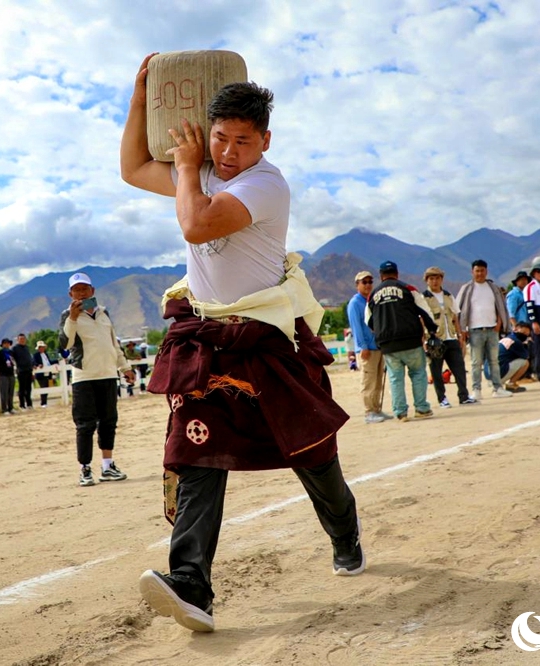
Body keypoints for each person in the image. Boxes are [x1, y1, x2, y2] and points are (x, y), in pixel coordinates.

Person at [122, 61, 363, 632]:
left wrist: (186, 167)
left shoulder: (265, 184)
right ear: (209, 133)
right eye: (220, 139)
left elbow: (198, 227)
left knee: (311, 452)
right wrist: (140, 98)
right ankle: (191, 587)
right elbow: (132, 167)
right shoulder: (199, 168)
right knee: (195, 450)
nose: (229, 153)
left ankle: (344, 530)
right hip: (205, 336)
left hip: (263, 337)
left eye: (243, 141)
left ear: (265, 142)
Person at [59, 272, 133, 486]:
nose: (81, 293)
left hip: (108, 375)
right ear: (70, 293)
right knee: (85, 424)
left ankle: (108, 466)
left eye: (85, 288)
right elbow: (65, 344)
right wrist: (72, 318)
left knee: (109, 421)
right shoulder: (68, 316)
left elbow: (113, 344)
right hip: (84, 377)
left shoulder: (104, 313)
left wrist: (125, 367)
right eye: (77, 289)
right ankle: (85, 469)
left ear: (92, 290)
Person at [369, 261, 437, 421]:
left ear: (380, 276)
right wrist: (432, 330)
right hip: (411, 340)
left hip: (387, 343)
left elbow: (369, 320)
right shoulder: (408, 289)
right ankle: (421, 408)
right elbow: (425, 311)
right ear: (397, 274)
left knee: (395, 377)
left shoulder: (373, 295)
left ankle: (400, 412)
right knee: (418, 373)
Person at [455, 260, 513, 401]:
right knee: (476, 362)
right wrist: (463, 329)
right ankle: (476, 390)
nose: (480, 273)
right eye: (477, 271)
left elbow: (500, 306)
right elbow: (458, 309)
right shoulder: (467, 289)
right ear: (472, 272)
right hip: (475, 330)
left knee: (494, 360)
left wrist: (499, 322)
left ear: (486, 271)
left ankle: (497, 388)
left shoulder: (493, 288)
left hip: (492, 329)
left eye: (482, 270)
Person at [422, 266, 472, 408]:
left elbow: (454, 316)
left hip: (451, 337)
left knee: (459, 367)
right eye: (431, 278)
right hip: (434, 339)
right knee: (436, 370)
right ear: (427, 280)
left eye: (437, 278)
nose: (435, 281)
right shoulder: (424, 298)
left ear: (442, 279)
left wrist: (460, 334)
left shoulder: (448, 296)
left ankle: (464, 395)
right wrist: (424, 339)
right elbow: (421, 319)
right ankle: (442, 398)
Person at [347, 270, 392, 423]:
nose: (367, 285)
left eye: (369, 282)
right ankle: (369, 412)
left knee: (378, 380)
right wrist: (363, 346)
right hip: (367, 348)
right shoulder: (355, 303)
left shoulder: (371, 300)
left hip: (378, 346)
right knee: (368, 381)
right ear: (357, 285)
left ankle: (377, 408)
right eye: (364, 282)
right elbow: (356, 327)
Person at [498, 322, 532, 392]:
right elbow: (526, 356)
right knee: (525, 363)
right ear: (516, 329)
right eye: (524, 332)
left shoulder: (507, 338)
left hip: (489, 373)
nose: (525, 335)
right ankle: (511, 384)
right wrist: (526, 344)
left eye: (526, 334)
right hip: (498, 374)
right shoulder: (516, 342)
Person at [11, 333, 35, 410]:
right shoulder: (15, 348)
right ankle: (22, 405)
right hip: (21, 371)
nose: (22, 340)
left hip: (29, 370)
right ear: (18, 340)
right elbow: (11, 358)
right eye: (20, 339)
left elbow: (30, 358)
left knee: (29, 388)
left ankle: (29, 404)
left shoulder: (27, 348)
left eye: (23, 339)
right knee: (22, 389)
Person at [32, 340, 57, 408]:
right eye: (41, 347)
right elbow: (34, 362)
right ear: (38, 348)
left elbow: (49, 362)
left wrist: (57, 361)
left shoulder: (45, 354)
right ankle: (43, 403)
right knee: (43, 387)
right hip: (40, 374)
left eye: (43, 347)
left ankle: (44, 402)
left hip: (47, 373)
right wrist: (38, 365)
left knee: (46, 387)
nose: (42, 348)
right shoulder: (36, 355)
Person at [0, 338, 16, 415]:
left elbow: (14, 362)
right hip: (3, 375)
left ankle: (11, 407)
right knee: (4, 392)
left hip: (11, 373)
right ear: (2, 345)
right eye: (5, 343)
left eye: (8, 343)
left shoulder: (11, 353)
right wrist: (0, 372)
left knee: (11, 392)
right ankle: (4, 409)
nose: (7, 345)